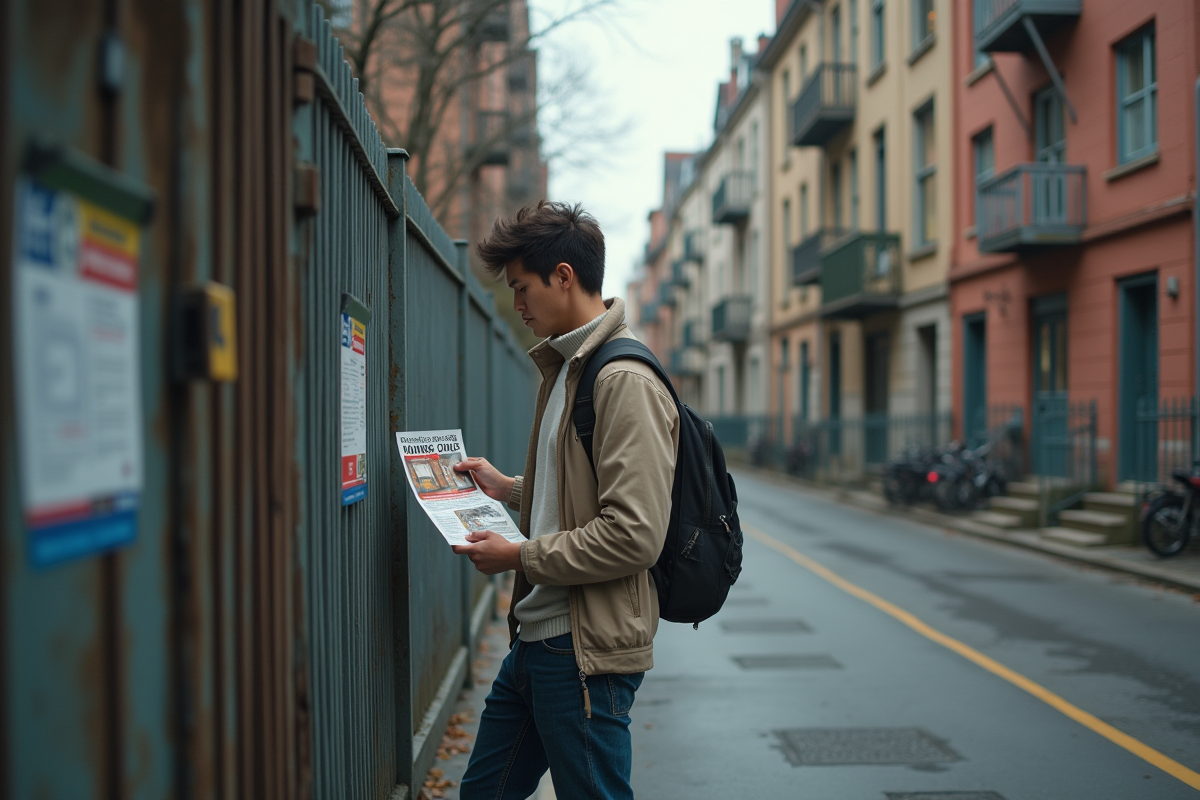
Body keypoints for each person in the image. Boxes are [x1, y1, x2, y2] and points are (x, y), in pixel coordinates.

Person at [451, 201, 679, 800]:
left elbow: (633, 534)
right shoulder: (568, 367)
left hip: (582, 652)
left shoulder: (621, 380)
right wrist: (508, 489)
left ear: (563, 276)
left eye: (521, 288)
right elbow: (577, 495)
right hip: (537, 641)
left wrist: (518, 557)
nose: (517, 305)